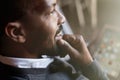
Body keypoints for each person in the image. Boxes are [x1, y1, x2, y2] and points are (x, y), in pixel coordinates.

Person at [0, 0, 109, 80]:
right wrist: (91, 67)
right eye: (51, 11)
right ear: (17, 33)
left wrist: (86, 63)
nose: (62, 18)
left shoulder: (42, 56)